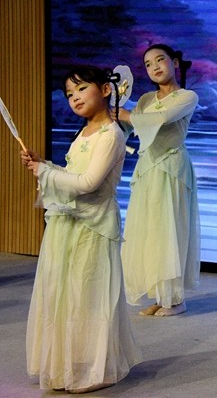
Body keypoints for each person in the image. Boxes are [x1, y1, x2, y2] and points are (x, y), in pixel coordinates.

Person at [21, 65, 142, 393]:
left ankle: (99, 369)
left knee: (89, 296)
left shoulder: (111, 134)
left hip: (94, 225)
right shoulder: (85, 132)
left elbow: (88, 183)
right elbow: (72, 173)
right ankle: (72, 363)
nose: (74, 98)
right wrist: (45, 165)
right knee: (66, 295)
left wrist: (44, 173)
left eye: (81, 89)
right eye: (69, 94)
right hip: (68, 222)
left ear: (105, 90)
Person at [117, 44, 200, 317]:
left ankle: (175, 299)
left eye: (160, 60)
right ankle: (160, 295)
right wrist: (111, 111)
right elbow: (129, 128)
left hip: (172, 168)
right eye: (148, 64)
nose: (154, 67)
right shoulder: (144, 100)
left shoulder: (187, 96)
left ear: (174, 62)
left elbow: (161, 118)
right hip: (148, 168)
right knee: (151, 232)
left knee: (169, 230)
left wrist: (126, 114)